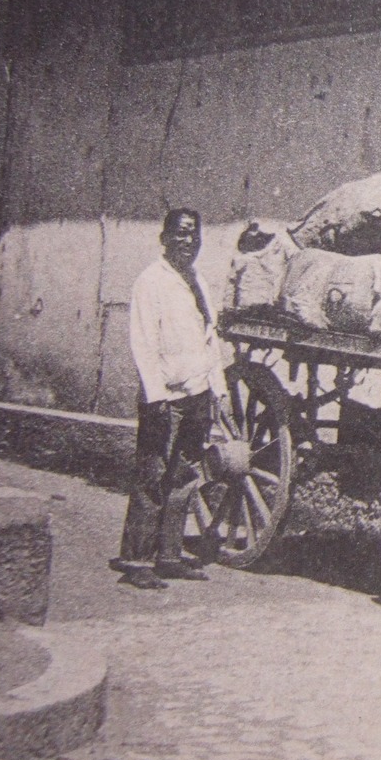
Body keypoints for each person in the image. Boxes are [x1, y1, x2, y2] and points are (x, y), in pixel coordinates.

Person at [115, 208, 226, 590]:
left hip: (197, 393)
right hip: (165, 395)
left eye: (193, 235)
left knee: (183, 476)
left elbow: (210, 338)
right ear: (164, 238)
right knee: (153, 474)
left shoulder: (198, 281)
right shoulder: (151, 281)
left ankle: (169, 556)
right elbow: (142, 339)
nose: (187, 241)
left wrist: (219, 387)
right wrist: (155, 394)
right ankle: (137, 560)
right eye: (179, 234)